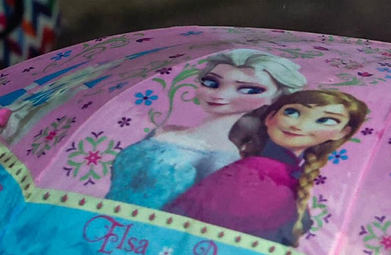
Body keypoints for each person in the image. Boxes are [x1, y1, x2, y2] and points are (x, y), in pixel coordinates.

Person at [107, 49, 307, 210]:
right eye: (211, 83)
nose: (220, 94)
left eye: (249, 89)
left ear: (274, 99)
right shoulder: (163, 131)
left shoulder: (226, 158)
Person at [168, 89, 367, 246]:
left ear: (342, 132)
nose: (298, 125)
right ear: (270, 118)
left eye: (326, 120)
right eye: (292, 112)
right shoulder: (251, 172)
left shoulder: (289, 177)